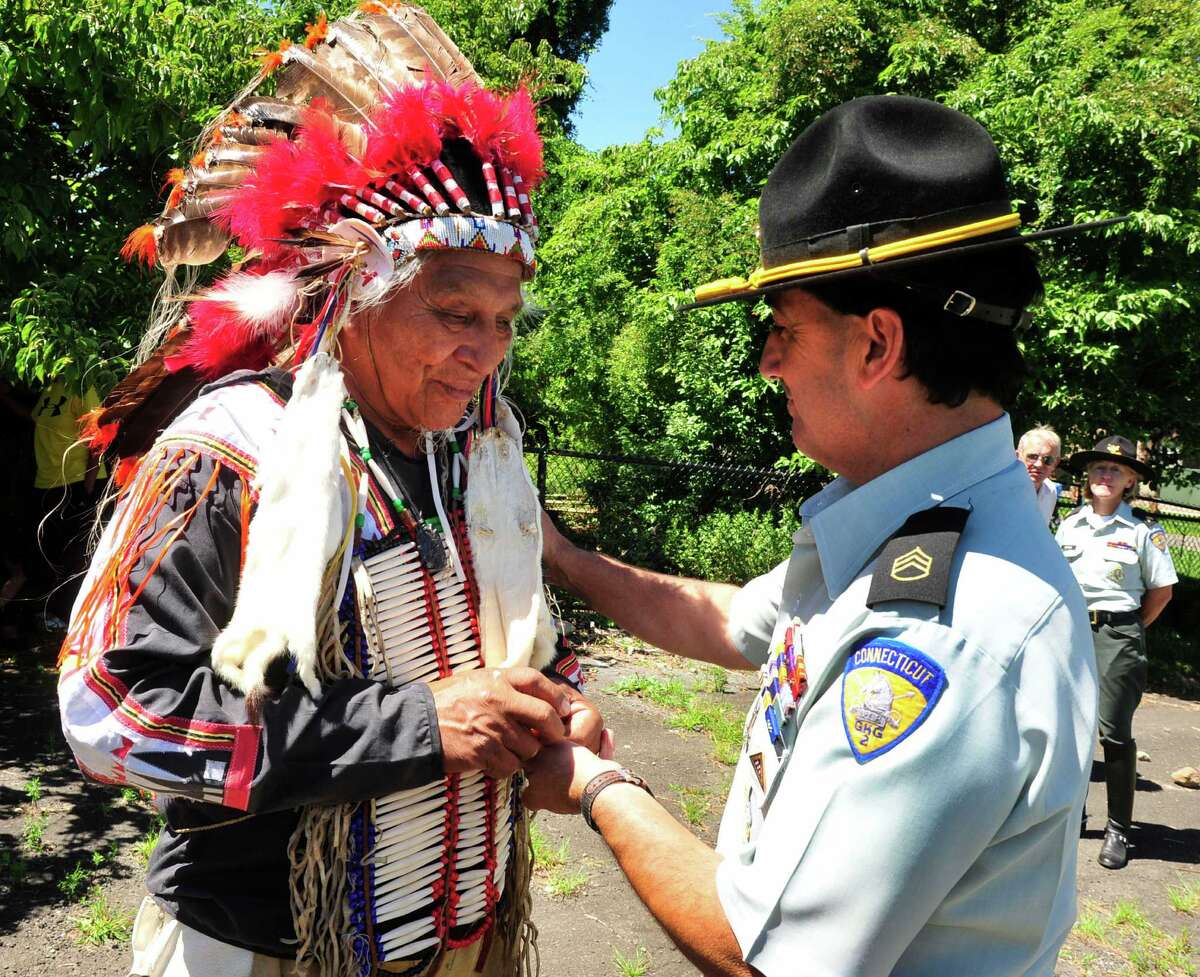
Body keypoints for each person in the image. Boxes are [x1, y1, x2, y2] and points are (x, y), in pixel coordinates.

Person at [57, 8, 601, 977]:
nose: (485, 352)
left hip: (461, 931)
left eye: (505, 321)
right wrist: (414, 725)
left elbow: (488, 646)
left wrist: (553, 701)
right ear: (354, 297)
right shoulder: (232, 450)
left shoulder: (472, 452)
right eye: (454, 312)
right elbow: (114, 714)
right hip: (275, 947)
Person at [522, 95, 1112, 977]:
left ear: (877, 344)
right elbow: (735, 624)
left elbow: (772, 956)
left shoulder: (949, 629)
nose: (766, 360)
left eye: (784, 328)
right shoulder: (910, 521)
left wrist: (593, 784)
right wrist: (563, 557)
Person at [1056, 436, 1176, 870]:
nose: (1104, 476)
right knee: (1068, 728)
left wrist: (1128, 630)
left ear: (1130, 482)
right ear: (1088, 478)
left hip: (1118, 633)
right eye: (1098, 469)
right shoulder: (1070, 525)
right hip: (1069, 631)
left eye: (1115, 471)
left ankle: (1118, 830)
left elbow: (1161, 591)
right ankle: (1071, 817)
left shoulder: (1142, 530)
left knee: (1113, 732)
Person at [30, 375, 107, 627]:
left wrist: (88, 487)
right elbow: (36, 420)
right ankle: (51, 612)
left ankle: (68, 616)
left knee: (76, 552)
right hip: (48, 481)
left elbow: (97, 437)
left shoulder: (83, 386)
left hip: (76, 481)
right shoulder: (49, 388)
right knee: (50, 549)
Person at [1018, 425, 1062, 525]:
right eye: (1032, 457)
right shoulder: (1000, 488)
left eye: (1048, 460)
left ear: (1056, 463)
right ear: (1018, 456)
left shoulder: (1051, 491)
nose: (1038, 464)